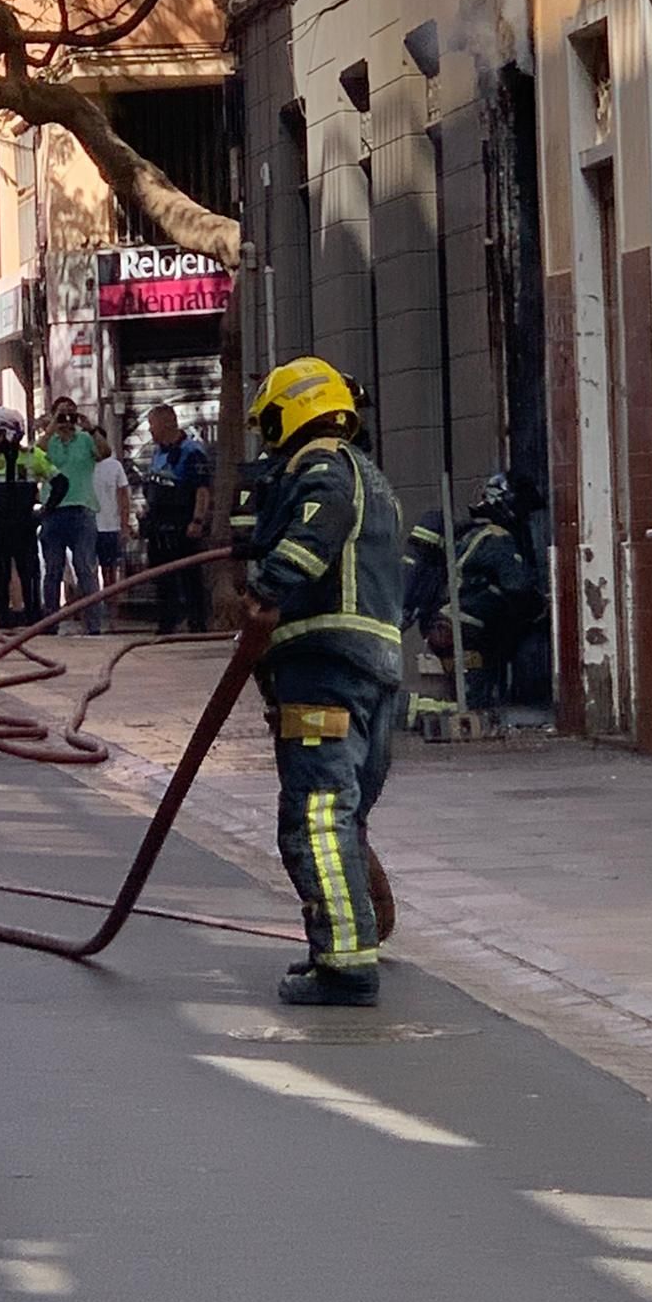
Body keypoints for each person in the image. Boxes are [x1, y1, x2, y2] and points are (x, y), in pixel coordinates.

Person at [236, 357, 403, 1008]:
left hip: (324, 669)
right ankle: (359, 931)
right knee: (344, 813)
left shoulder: (323, 466)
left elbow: (316, 524)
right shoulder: (374, 477)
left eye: (270, 424)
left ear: (293, 410)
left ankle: (344, 962)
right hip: (371, 672)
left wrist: (269, 584)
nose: (267, 441)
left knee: (316, 815)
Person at [402, 472, 546, 714]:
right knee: (472, 706)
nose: (525, 520)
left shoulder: (468, 533)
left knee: (464, 698)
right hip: (468, 627)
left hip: (444, 623)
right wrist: (543, 606)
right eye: (523, 512)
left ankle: (439, 713)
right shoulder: (497, 537)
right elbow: (517, 586)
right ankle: (432, 715)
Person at [0, 406, 67, 631]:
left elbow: (61, 483)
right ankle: (3, 620)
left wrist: (45, 511)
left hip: (24, 526)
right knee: (1, 575)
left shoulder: (33, 457)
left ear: (12, 432)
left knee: (29, 573)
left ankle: (33, 619)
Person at [142, 404, 211, 634]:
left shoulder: (191, 451)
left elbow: (202, 489)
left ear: (167, 423)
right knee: (162, 576)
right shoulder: (158, 452)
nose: (150, 430)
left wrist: (198, 520)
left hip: (183, 521)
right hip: (158, 524)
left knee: (190, 576)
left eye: (152, 425)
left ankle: (197, 624)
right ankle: (166, 623)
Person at [40, 396, 102, 635]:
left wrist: (91, 428)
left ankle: (94, 624)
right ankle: (50, 623)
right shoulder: (49, 441)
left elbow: (105, 453)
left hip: (81, 509)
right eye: (62, 415)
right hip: (53, 511)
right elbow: (38, 453)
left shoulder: (85, 439)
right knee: (53, 569)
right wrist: (53, 424)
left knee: (85, 568)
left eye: (70, 415)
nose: (67, 420)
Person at [92, 426, 131, 594]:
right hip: (88, 526)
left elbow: (123, 496)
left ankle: (113, 612)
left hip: (110, 526)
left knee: (110, 571)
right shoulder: (83, 465)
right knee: (87, 571)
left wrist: (124, 524)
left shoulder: (115, 466)